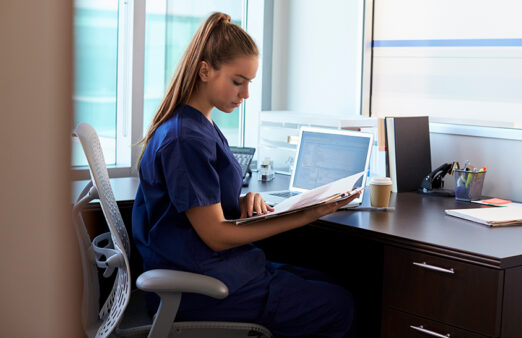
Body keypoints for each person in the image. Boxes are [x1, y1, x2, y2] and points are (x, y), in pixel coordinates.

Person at [132, 12, 358, 338]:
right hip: (200, 287)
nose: (246, 94)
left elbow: (192, 205)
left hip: (215, 268)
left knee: (332, 283)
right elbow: (215, 235)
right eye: (238, 82)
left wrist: (240, 201)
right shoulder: (185, 137)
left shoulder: (199, 124)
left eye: (249, 82)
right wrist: (307, 213)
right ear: (205, 70)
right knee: (341, 305)